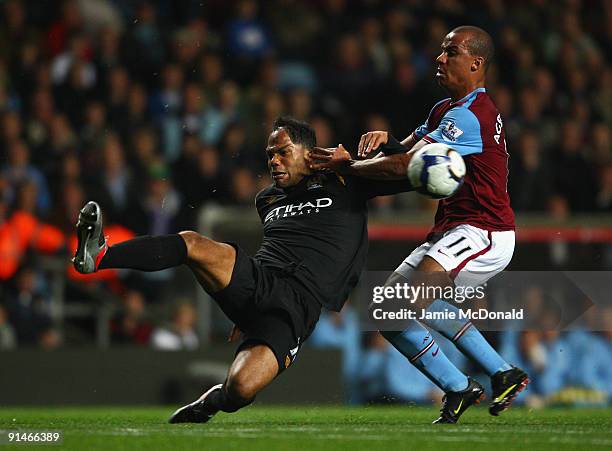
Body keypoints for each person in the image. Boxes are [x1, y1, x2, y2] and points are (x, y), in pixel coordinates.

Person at [72, 116, 411, 424]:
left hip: (297, 308)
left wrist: (370, 153)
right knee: (193, 243)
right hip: (261, 279)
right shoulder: (268, 198)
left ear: (309, 152)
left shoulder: (346, 177)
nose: (273, 161)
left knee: (241, 388)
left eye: (282, 152)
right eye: (269, 155)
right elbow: (276, 247)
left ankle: (212, 401)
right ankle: (101, 255)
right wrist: (240, 295)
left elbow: (405, 170)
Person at [310, 26, 528, 423]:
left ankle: (497, 373)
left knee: (410, 301)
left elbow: (404, 167)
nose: (440, 59)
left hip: (484, 232)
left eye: (451, 52)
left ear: (476, 63)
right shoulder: (445, 110)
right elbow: (406, 151)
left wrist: (349, 165)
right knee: (388, 313)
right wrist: (386, 140)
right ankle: (473, 383)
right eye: (442, 51)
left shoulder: (471, 116)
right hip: (453, 230)